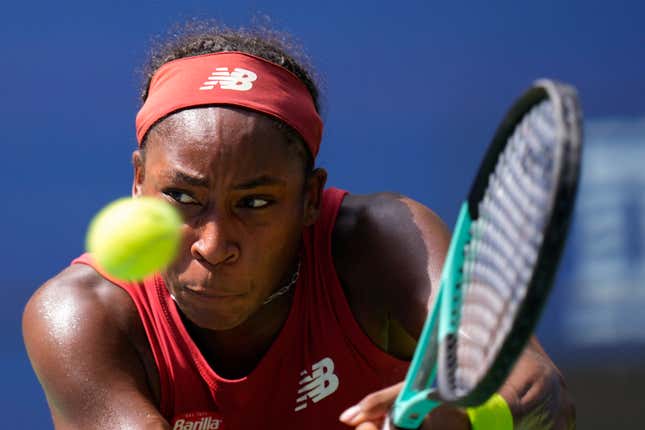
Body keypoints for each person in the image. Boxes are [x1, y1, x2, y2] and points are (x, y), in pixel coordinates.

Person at [23, 22, 575, 429]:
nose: (214, 246)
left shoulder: (379, 244)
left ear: (310, 199)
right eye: (183, 197)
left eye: (256, 203)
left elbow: (537, 386)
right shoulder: (80, 318)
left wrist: (463, 415)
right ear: (139, 182)